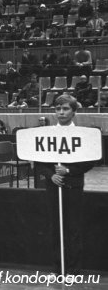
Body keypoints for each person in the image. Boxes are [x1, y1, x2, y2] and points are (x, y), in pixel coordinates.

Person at [35, 95, 93, 275]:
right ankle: (58, 269)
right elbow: (39, 161)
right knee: (55, 228)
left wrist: (68, 171)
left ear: (74, 112)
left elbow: (90, 161)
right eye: (58, 108)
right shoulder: (47, 133)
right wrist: (51, 175)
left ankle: (74, 271)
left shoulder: (83, 133)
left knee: (73, 229)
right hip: (53, 187)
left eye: (66, 108)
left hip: (74, 186)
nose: (61, 112)